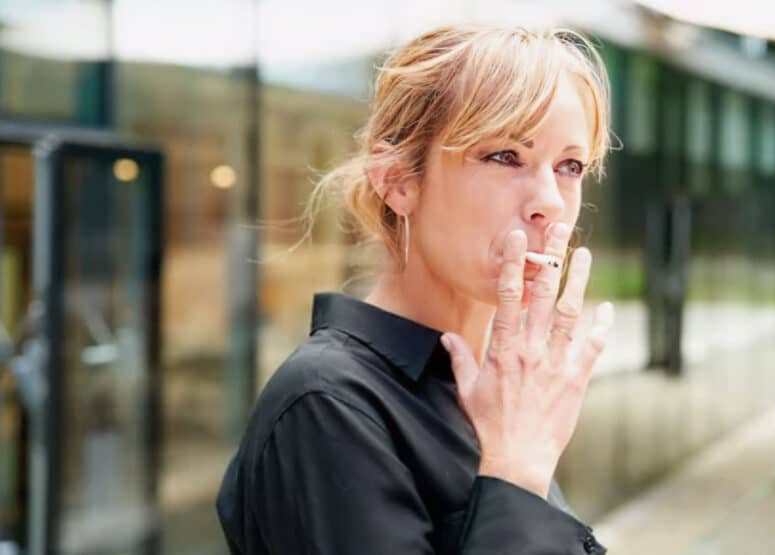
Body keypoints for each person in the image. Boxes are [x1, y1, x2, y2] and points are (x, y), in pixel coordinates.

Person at [216, 25, 615, 554]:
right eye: (505, 156)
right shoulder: (328, 405)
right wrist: (515, 474)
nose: (551, 201)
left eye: (570, 166)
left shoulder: (493, 392)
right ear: (399, 179)